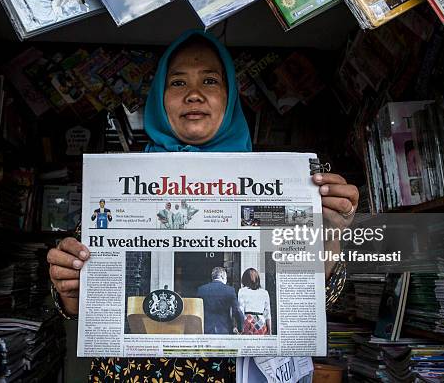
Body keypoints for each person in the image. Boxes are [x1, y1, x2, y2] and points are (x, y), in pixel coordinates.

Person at [47, 29, 359, 382]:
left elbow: (317, 302)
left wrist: (331, 233)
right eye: (177, 83)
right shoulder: (118, 183)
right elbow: (77, 303)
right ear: (159, 100)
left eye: (210, 80)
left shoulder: (281, 185)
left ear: (229, 98)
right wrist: (69, 288)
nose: (194, 95)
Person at [197, 267, 245, 335]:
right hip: (224, 329)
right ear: (223, 277)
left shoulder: (201, 290)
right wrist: (240, 328)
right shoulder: (230, 290)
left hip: (205, 329)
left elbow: (198, 310)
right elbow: (236, 311)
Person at [238, 268, 271, 335]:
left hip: (248, 321)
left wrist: (239, 327)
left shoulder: (242, 291)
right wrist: (270, 330)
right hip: (261, 322)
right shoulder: (264, 292)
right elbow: (267, 313)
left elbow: (240, 311)